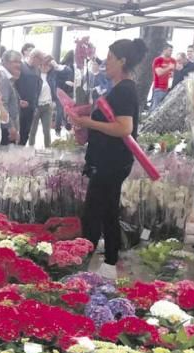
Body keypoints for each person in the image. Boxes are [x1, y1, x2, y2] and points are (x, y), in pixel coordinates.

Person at [68, 38, 148, 280]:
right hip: (109, 160)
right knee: (107, 211)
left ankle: (81, 266)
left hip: (111, 162)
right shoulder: (120, 88)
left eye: (110, 58)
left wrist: (89, 123)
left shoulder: (125, 89)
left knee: (94, 213)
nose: (106, 63)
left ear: (122, 61)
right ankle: (109, 262)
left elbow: (124, 128)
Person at [28, 52, 56, 149]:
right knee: (33, 130)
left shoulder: (52, 77)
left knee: (46, 130)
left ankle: (48, 149)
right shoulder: (35, 75)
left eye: (48, 65)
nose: (45, 67)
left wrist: (55, 64)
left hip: (47, 106)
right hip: (36, 106)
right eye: (43, 64)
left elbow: (66, 72)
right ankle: (30, 149)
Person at [0, 50, 23, 146]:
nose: (18, 65)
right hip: (5, 128)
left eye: (20, 62)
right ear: (5, 62)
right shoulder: (2, 77)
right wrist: (10, 127)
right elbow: (2, 103)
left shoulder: (7, 77)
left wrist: (17, 101)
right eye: (15, 62)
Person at [16, 48, 39, 148]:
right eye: (40, 60)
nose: (41, 63)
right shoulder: (21, 67)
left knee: (26, 132)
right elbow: (13, 84)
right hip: (20, 106)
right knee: (19, 131)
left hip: (31, 107)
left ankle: (21, 150)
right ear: (34, 58)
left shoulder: (37, 70)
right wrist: (18, 99)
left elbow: (38, 87)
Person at [53, 51, 76, 136]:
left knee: (60, 110)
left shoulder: (60, 65)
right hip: (68, 91)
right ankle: (67, 126)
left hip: (59, 90)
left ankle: (58, 129)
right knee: (67, 110)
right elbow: (71, 79)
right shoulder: (70, 67)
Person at [151, 43, 176, 111]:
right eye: (169, 50)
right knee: (155, 108)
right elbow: (158, 73)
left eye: (172, 50)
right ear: (164, 50)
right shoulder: (158, 60)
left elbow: (175, 71)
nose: (171, 52)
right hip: (159, 87)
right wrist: (168, 67)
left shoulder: (173, 60)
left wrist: (172, 73)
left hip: (169, 88)